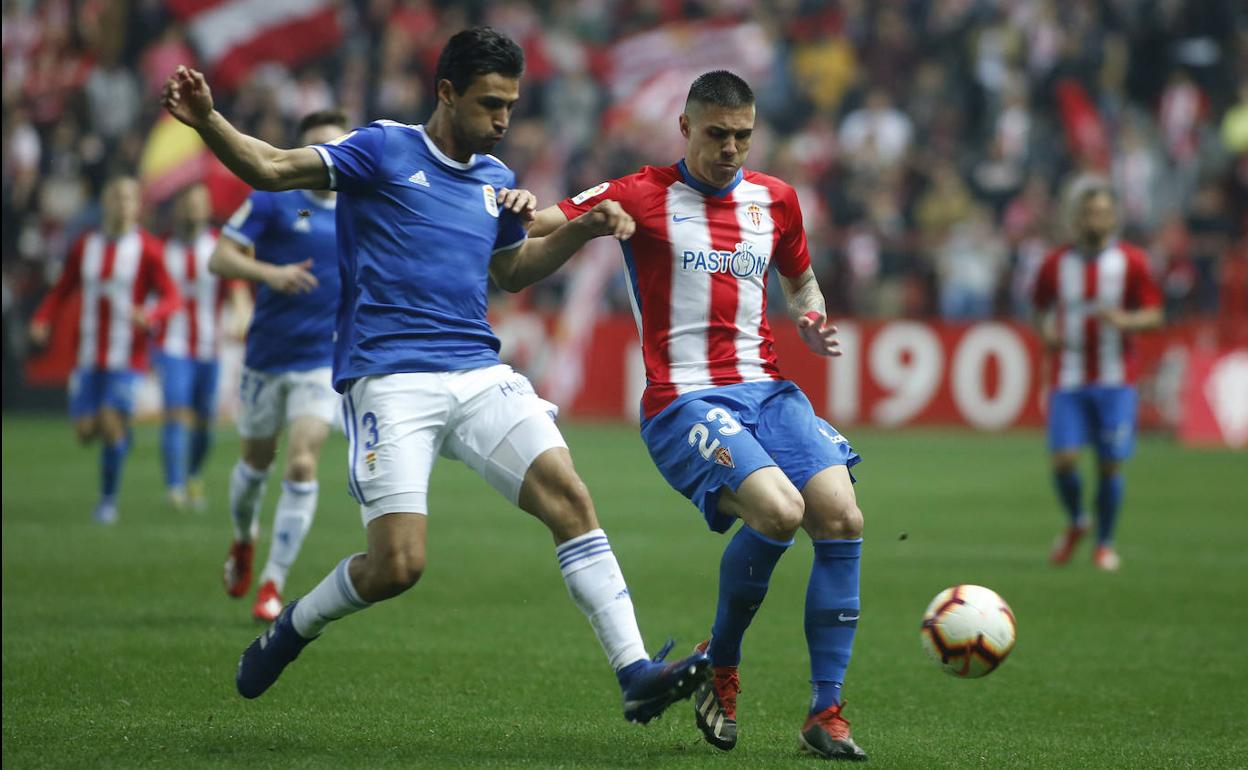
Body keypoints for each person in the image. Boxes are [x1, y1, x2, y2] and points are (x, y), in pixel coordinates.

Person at [161, 26, 708, 724]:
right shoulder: (382, 149)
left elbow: (510, 274)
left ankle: (635, 671)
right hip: (390, 378)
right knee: (397, 566)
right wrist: (208, 118)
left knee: (570, 498)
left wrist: (580, 229)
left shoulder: (496, 182)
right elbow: (270, 167)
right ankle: (296, 624)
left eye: (511, 104)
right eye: (489, 104)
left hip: (477, 370)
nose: (504, 120)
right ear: (446, 93)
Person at [528, 71, 868, 760]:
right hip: (684, 400)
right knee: (779, 511)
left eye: (743, 135)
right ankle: (723, 660)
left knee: (842, 516)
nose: (731, 148)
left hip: (768, 390)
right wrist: (509, 202)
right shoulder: (640, 192)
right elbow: (541, 220)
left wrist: (808, 316)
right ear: (686, 128)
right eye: (717, 134)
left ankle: (824, 711)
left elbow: (801, 278)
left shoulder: (776, 200)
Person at [208, 110, 347, 623]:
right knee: (254, 466)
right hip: (267, 356)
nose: (322, 158)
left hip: (321, 360)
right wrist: (271, 273)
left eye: (332, 147)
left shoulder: (360, 206)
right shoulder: (272, 199)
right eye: (313, 147)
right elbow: (220, 258)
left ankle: (273, 582)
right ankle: (244, 539)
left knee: (303, 462)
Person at [29, 175, 182, 524]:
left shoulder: (147, 248)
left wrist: (151, 314)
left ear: (137, 206)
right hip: (88, 355)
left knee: (110, 423)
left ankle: (107, 501)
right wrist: (42, 318)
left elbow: (172, 297)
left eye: (129, 198)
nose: (122, 204)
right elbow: (63, 288)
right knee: (86, 432)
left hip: (128, 356)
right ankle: (119, 439)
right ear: (106, 203)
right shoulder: (86, 245)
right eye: (116, 197)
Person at [1032, 175, 1163, 571]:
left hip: (1115, 379)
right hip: (1068, 377)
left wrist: (1126, 320)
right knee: (1064, 461)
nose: (1096, 218)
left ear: (1115, 217)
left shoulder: (1132, 261)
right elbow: (1039, 307)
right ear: (1076, 217)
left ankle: (1104, 543)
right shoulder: (1056, 263)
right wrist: (1047, 332)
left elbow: (1155, 314)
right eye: (1089, 211)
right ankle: (1077, 520)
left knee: (1109, 464)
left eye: (1104, 212)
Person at [154, 182, 230, 511]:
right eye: (187, 204)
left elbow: (237, 284)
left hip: (210, 346)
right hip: (171, 344)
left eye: (199, 203)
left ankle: (194, 475)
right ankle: (174, 487)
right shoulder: (159, 249)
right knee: (175, 412)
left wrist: (242, 310)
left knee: (204, 425)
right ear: (178, 210)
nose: (193, 209)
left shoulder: (220, 246)